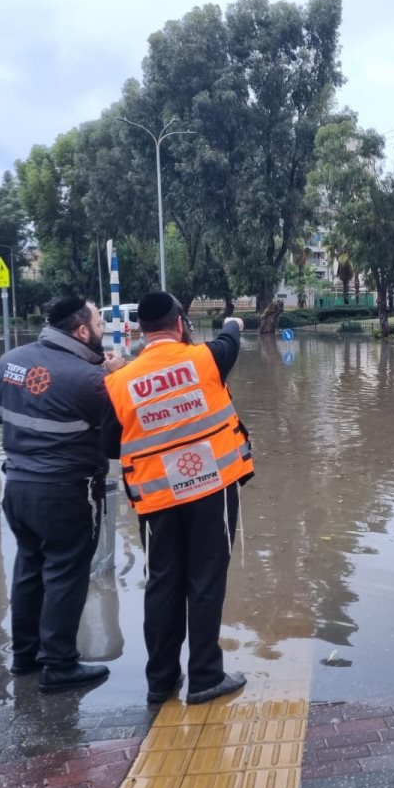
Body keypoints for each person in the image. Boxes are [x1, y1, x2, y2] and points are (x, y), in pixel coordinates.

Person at [102, 292, 254, 706]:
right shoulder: (206, 359)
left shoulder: (118, 382)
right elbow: (230, 338)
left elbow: (112, 446)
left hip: (156, 500)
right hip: (210, 490)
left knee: (162, 583)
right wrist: (234, 322)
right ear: (182, 324)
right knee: (205, 582)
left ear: (138, 331)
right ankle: (205, 676)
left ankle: (160, 681)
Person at [0, 296, 123, 692]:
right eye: (98, 322)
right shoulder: (93, 381)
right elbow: (120, 437)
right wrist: (118, 376)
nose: (101, 329)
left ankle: (25, 656)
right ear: (82, 331)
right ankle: (60, 665)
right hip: (67, 492)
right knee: (66, 574)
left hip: (17, 485)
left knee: (29, 569)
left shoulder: (9, 361)